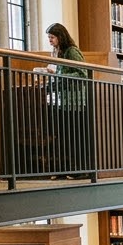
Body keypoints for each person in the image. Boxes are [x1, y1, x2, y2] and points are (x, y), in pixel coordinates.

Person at [44, 23, 90, 179]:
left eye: (52, 37)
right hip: (65, 101)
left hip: (76, 102)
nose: (50, 40)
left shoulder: (72, 51)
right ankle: (66, 168)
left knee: (76, 136)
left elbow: (83, 74)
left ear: (60, 37)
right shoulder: (60, 53)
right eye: (49, 37)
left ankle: (80, 170)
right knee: (66, 136)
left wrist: (59, 75)